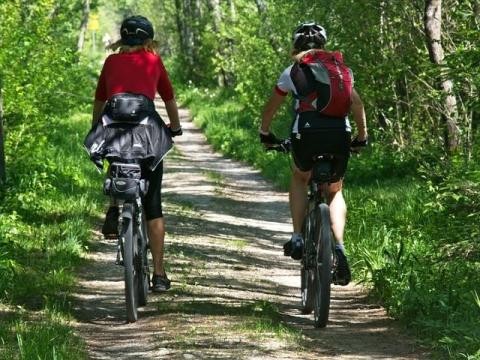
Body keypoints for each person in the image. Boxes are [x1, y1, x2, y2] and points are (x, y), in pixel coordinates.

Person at [259, 22, 368, 285]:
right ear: (323, 45)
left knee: (299, 177)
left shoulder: (293, 71)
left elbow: (271, 108)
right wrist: (361, 137)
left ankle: (297, 237)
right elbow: (357, 103)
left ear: (295, 46)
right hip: (339, 135)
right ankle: (339, 246)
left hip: (306, 135)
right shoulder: (341, 71)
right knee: (335, 190)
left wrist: (265, 133)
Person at [92, 15, 182, 292]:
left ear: (122, 39)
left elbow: (100, 100)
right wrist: (175, 128)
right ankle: (158, 274)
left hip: (115, 130)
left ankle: (114, 208)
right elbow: (168, 98)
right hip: (147, 134)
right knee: (153, 204)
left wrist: (97, 129)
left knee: (116, 156)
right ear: (148, 40)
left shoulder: (110, 62)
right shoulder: (153, 61)